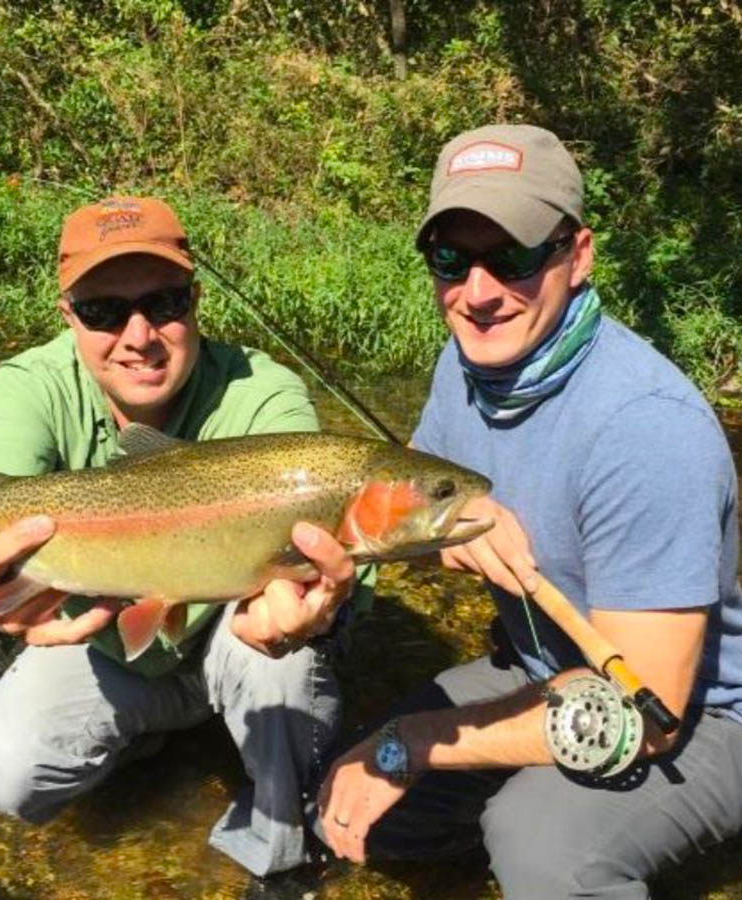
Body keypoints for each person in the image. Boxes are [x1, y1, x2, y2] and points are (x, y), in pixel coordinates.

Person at [315, 124, 742, 898]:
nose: (478, 293)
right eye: (452, 259)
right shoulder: (468, 363)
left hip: (702, 713)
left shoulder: (646, 428)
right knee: (352, 803)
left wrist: (418, 740)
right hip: (544, 664)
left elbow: (643, 716)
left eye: (511, 257)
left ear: (577, 256)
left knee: (540, 849)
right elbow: (406, 522)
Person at [0, 195, 362, 877]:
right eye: (104, 312)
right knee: (0, 774)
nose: (138, 335)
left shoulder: (264, 393)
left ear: (194, 301)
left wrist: (328, 609)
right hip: (107, 647)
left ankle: (283, 845)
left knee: (282, 659)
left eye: (162, 303)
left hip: (234, 637)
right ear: (68, 315)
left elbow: (345, 535)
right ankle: (150, 738)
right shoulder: (28, 389)